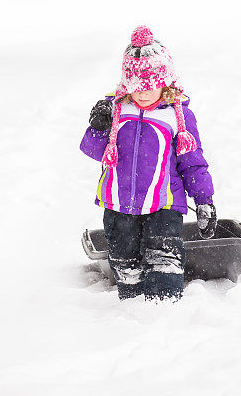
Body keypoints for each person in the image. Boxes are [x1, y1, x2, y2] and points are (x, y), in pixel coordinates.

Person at [80, 25, 216, 302]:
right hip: (119, 204)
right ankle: (131, 311)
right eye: (137, 86)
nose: (143, 93)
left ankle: (164, 308)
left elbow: (193, 162)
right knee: (126, 265)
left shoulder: (177, 116)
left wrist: (204, 199)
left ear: (164, 81)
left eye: (151, 86)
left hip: (164, 204)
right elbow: (95, 151)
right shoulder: (116, 110)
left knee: (164, 261)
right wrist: (97, 126)